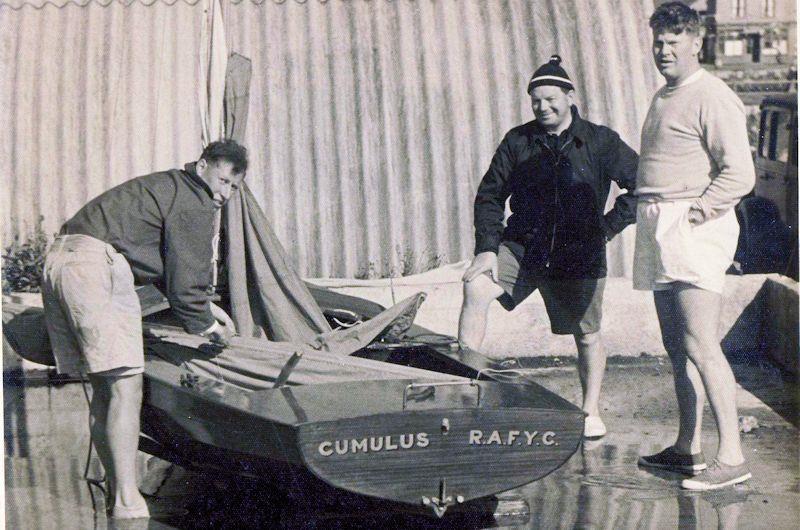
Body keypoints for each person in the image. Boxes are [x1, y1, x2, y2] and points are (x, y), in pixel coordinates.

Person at [41, 139, 248, 518]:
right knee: (126, 386)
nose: (225, 194)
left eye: (234, 187)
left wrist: (208, 311)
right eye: (222, 181)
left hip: (61, 259)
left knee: (106, 388)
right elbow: (185, 287)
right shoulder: (194, 199)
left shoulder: (165, 185)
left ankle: (115, 496)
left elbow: (164, 269)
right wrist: (207, 328)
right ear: (202, 167)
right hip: (94, 265)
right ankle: (127, 505)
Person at [460, 55, 638, 438]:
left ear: (570, 96)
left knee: (587, 335)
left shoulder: (601, 141)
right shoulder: (518, 141)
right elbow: (489, 195)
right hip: (524, 247)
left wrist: (607, 227)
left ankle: (590, 411)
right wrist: (487, 248)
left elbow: (641, 186)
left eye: (551, 98)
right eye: (536, 100)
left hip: (579, 255)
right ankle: (465, 388)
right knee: (476, 287)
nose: (543, 107)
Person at [634, 2, 755, 490]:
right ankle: (688, 449)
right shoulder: (665, 95)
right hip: (660, 222)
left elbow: (740, 173)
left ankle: (733, 455)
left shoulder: (713, 94)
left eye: (673, 42)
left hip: (691, 223)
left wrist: (697, 213)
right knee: (675, 345)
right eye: (658, 41)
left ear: (696, 43)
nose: (663, 50)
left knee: (702, 344)